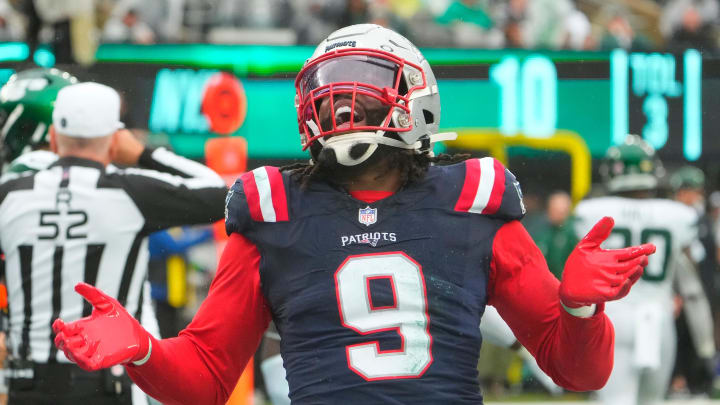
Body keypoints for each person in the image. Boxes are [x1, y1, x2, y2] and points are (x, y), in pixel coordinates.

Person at [53, 24, 655, 404]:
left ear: (418, 97)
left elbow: (580, 374)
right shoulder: (273, 209)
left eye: (363, 81)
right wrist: (145, 351)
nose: (340, 101)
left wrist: (578, 309)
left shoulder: (472, 196)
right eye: (328, 85)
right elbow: (207, 377)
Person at [0, 81, 227, 404]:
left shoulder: (10, 193)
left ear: (53, 138)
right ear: (114, 142)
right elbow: (218, 193)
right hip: (105, 384)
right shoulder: (129, 192)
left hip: (29, 386)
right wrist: (142, 153)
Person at [574, 135, 699, 405]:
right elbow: (690, 272)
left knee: (615, 399)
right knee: (652, 401)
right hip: (659, 318)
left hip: (613, 317)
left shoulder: (590, 211)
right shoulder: (678, 215)